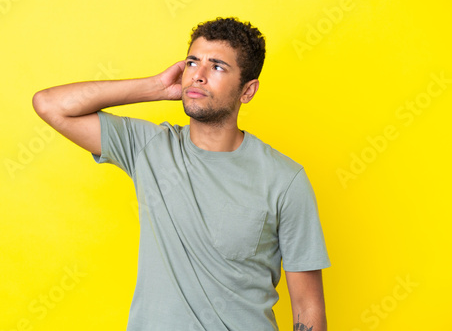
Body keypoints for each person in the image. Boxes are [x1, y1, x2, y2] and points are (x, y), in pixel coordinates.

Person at [33, 17, 331, 331]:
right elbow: (50, 105)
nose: (198, 76)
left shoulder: (285, 180)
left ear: (248, 90)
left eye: (216, 67)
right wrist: (157, 87)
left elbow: (308, 309)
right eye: (192, 62)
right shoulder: (147, 148)